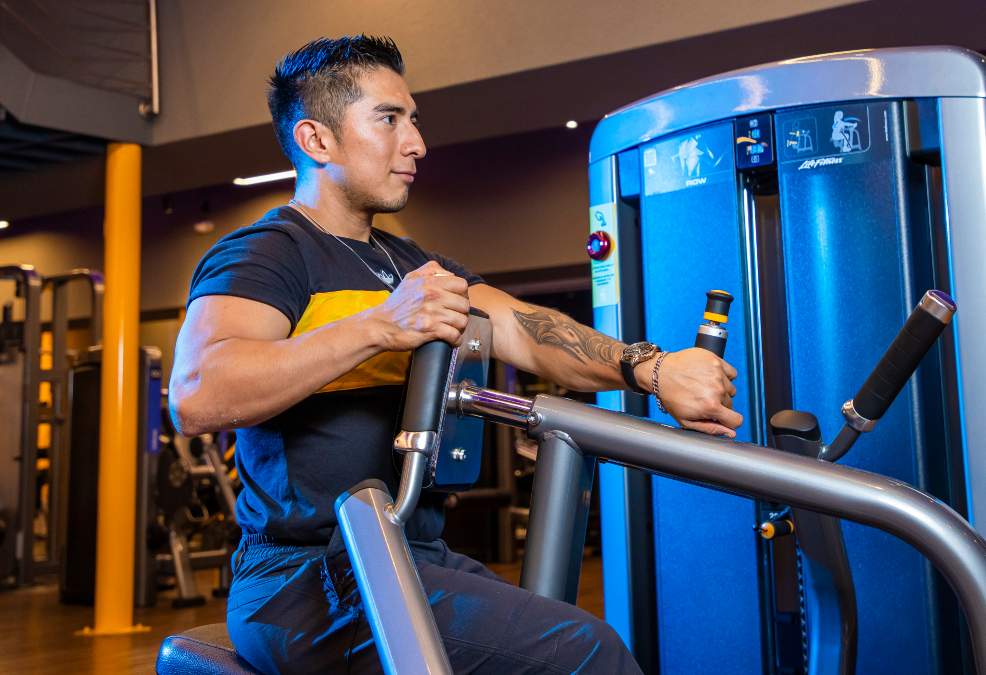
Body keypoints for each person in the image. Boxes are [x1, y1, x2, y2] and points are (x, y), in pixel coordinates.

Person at [169, 35, 742, 675]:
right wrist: (380, 326)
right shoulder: (269, 253)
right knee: (588, 654)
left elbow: (526, 330)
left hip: (412, 551)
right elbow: (198, 393)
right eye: (389, 119)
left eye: (413, 120)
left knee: (570, 632)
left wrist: (652, 369)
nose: (415, 143)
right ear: (317, 141)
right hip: (309, 577)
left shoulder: (409, 264)